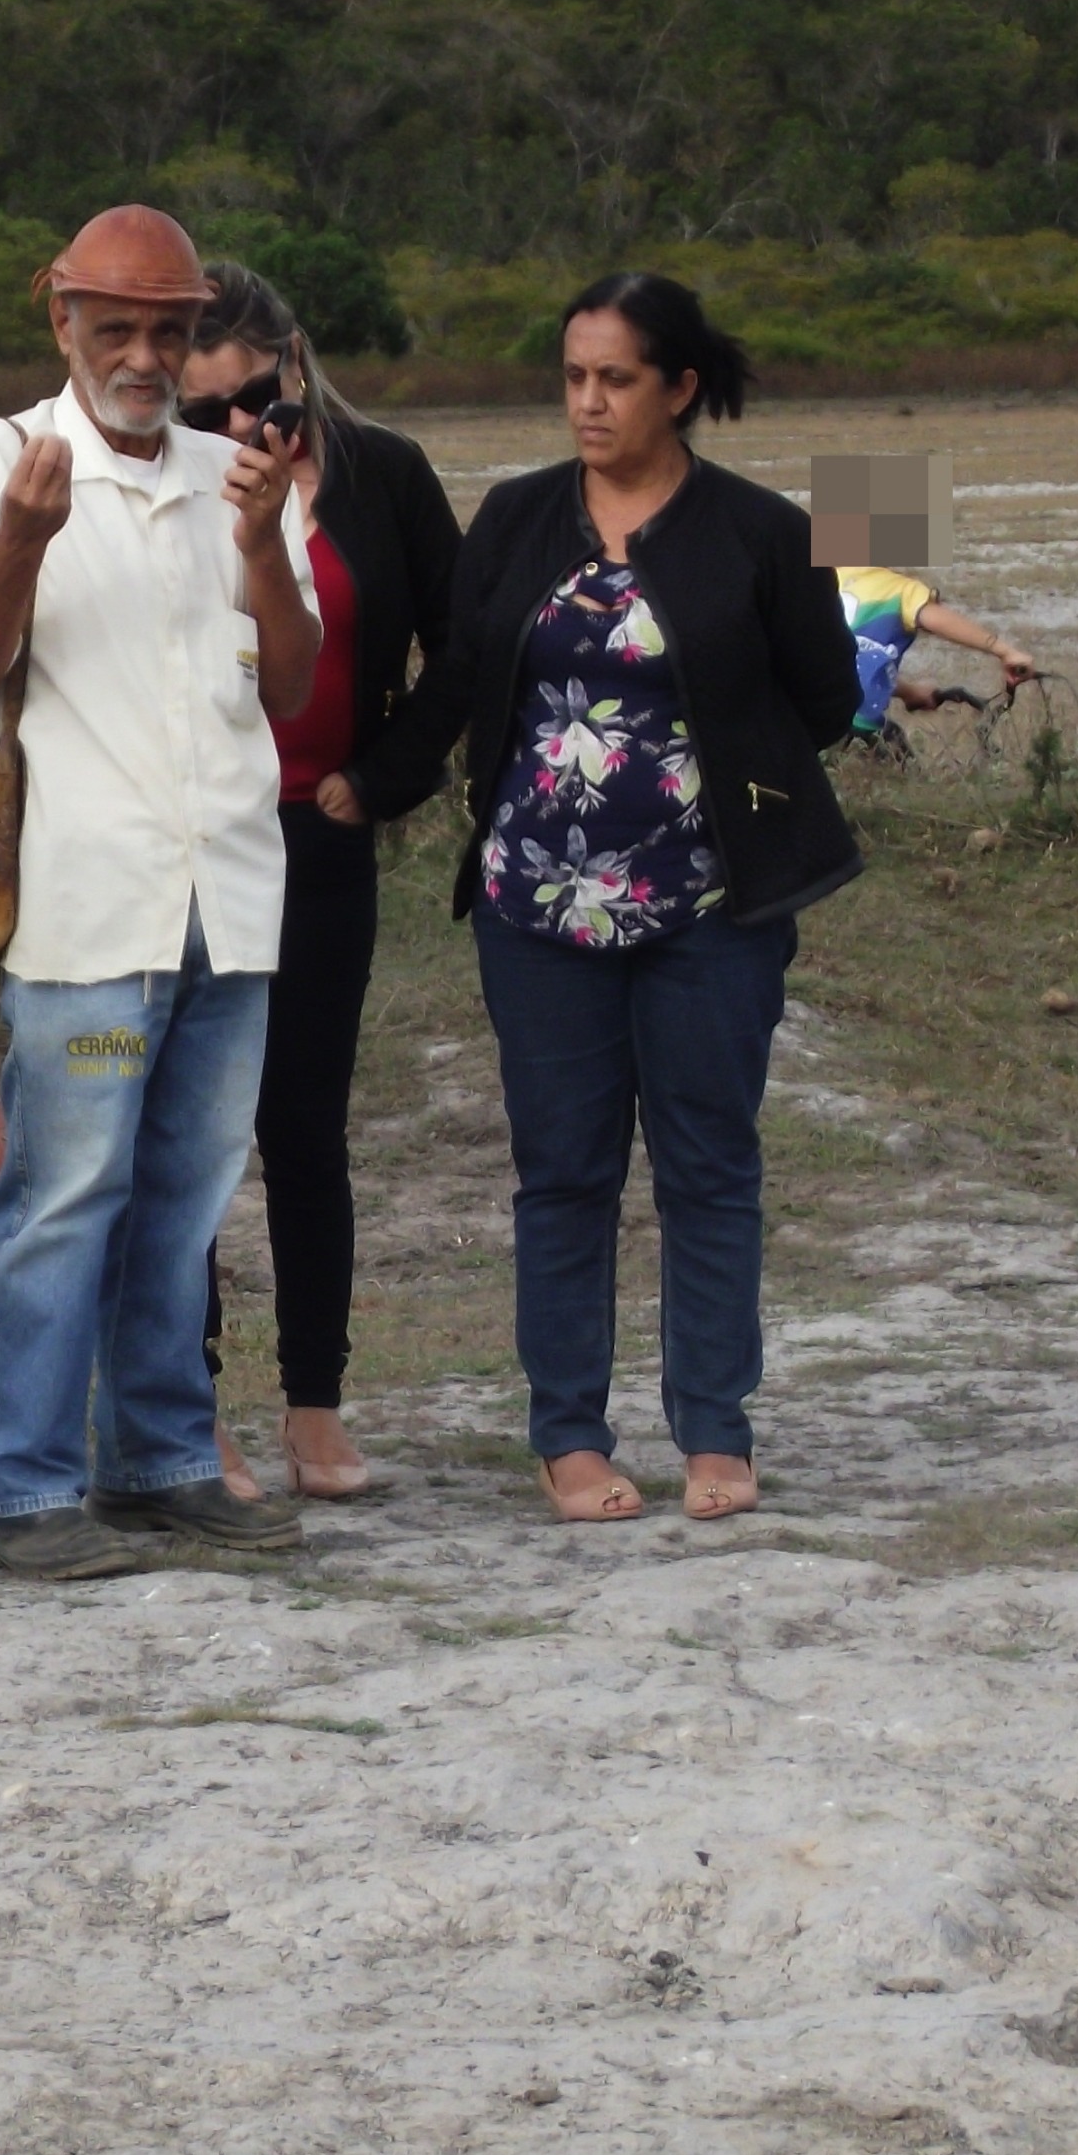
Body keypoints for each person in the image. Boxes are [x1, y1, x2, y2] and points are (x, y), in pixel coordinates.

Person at [329, 273, 856, 1526]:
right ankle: (568, 1436)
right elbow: (456, 676)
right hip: (535, 914)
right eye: (572, 376)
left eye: (615, 379)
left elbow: (827, 700)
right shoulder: (512, 520)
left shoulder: (766, 531)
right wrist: (372, 782)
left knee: (707, 1164)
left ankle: (713, 1431)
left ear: (678, 388)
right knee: (560, 1174)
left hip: (711, 911)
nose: (587, 401)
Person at [0, 207, 320, 1580]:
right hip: (87, 916)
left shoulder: (243, 476)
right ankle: (24, 1493)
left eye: (171, 330)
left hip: (231, 900)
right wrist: (23, 541)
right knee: (66, 1194)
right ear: (62, 321)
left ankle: (161, 1461)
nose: (145, 356)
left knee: (187, 1199)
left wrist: (264, 548)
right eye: (117, 327)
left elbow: (297, 690)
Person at [176, 261, 461, 1503]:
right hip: (193, 841)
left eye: (254, 399)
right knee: (185, 1141)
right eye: (202, 412)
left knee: (306, 1132)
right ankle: (188, 1412)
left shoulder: (382, 470)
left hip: (320, 834)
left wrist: (385, 775)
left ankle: (313, 1408)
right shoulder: (153, 487)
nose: (237, 430)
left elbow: (469, 641)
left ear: (292, 366)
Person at [841, 564, 1035, 738]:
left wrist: (911, 693)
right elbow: (939, 620)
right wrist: (1003, 651)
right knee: (900, 762)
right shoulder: (900, 590)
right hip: (853, 721)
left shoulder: (826, 583)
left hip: (814, 717)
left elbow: (859, 665)